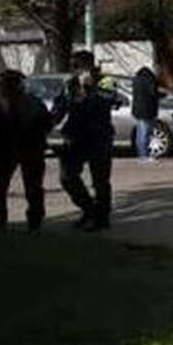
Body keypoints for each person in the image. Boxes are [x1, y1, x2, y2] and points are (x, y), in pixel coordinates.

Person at [52, 50, 120, 232]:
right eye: (73, 67)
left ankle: (102, 218)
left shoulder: (105, 81)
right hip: (76, 137)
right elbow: (59, 109)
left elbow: (113, 100)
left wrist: (91, 89)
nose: (75, 70)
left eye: (78, 66)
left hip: (99, 137)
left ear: (89, 65)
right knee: (67, 177)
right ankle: (89, 209)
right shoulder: (70, 85)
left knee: (100, 180)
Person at [0, 69, 52, 232]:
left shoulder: (26, 103)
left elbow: (46, 124)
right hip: (11, 150)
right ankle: (25, 221)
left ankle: (10, 220)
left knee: (26, 186)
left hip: (22, 149)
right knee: (2, 186)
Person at [131, 65, 161, 163]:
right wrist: (161, 95)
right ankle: (144, 156)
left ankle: (141, 155)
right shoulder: (149, 80)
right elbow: (153, 93)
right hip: (148, 110)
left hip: (138, 111)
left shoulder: (136, 80)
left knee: (140, 133)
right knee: (146, 133)